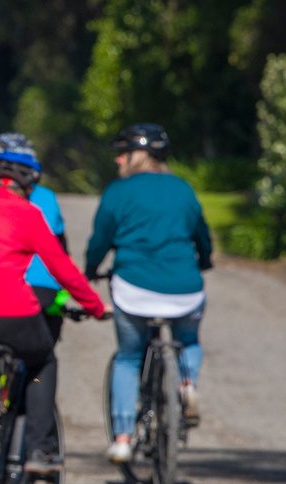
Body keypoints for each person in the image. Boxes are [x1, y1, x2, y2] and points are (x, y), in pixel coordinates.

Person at [0, 146, 107, 474]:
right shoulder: (28, 214)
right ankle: (40, 449)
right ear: (29, 184)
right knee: (42, 363)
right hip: (15, 320)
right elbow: (62, 269)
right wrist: (94, 307)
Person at [84, 123, 213, 465]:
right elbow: (201, 234)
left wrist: (89, 270)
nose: (117, 160)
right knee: (190, 341)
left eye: (122, 153)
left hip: (134, 290)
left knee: (128, 356)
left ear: (136, 156)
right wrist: (205, 260)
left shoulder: (118, 192)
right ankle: (187, 382)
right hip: (185, 288)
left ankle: (123, 438)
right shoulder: (183, 190)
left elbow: (100, 240)